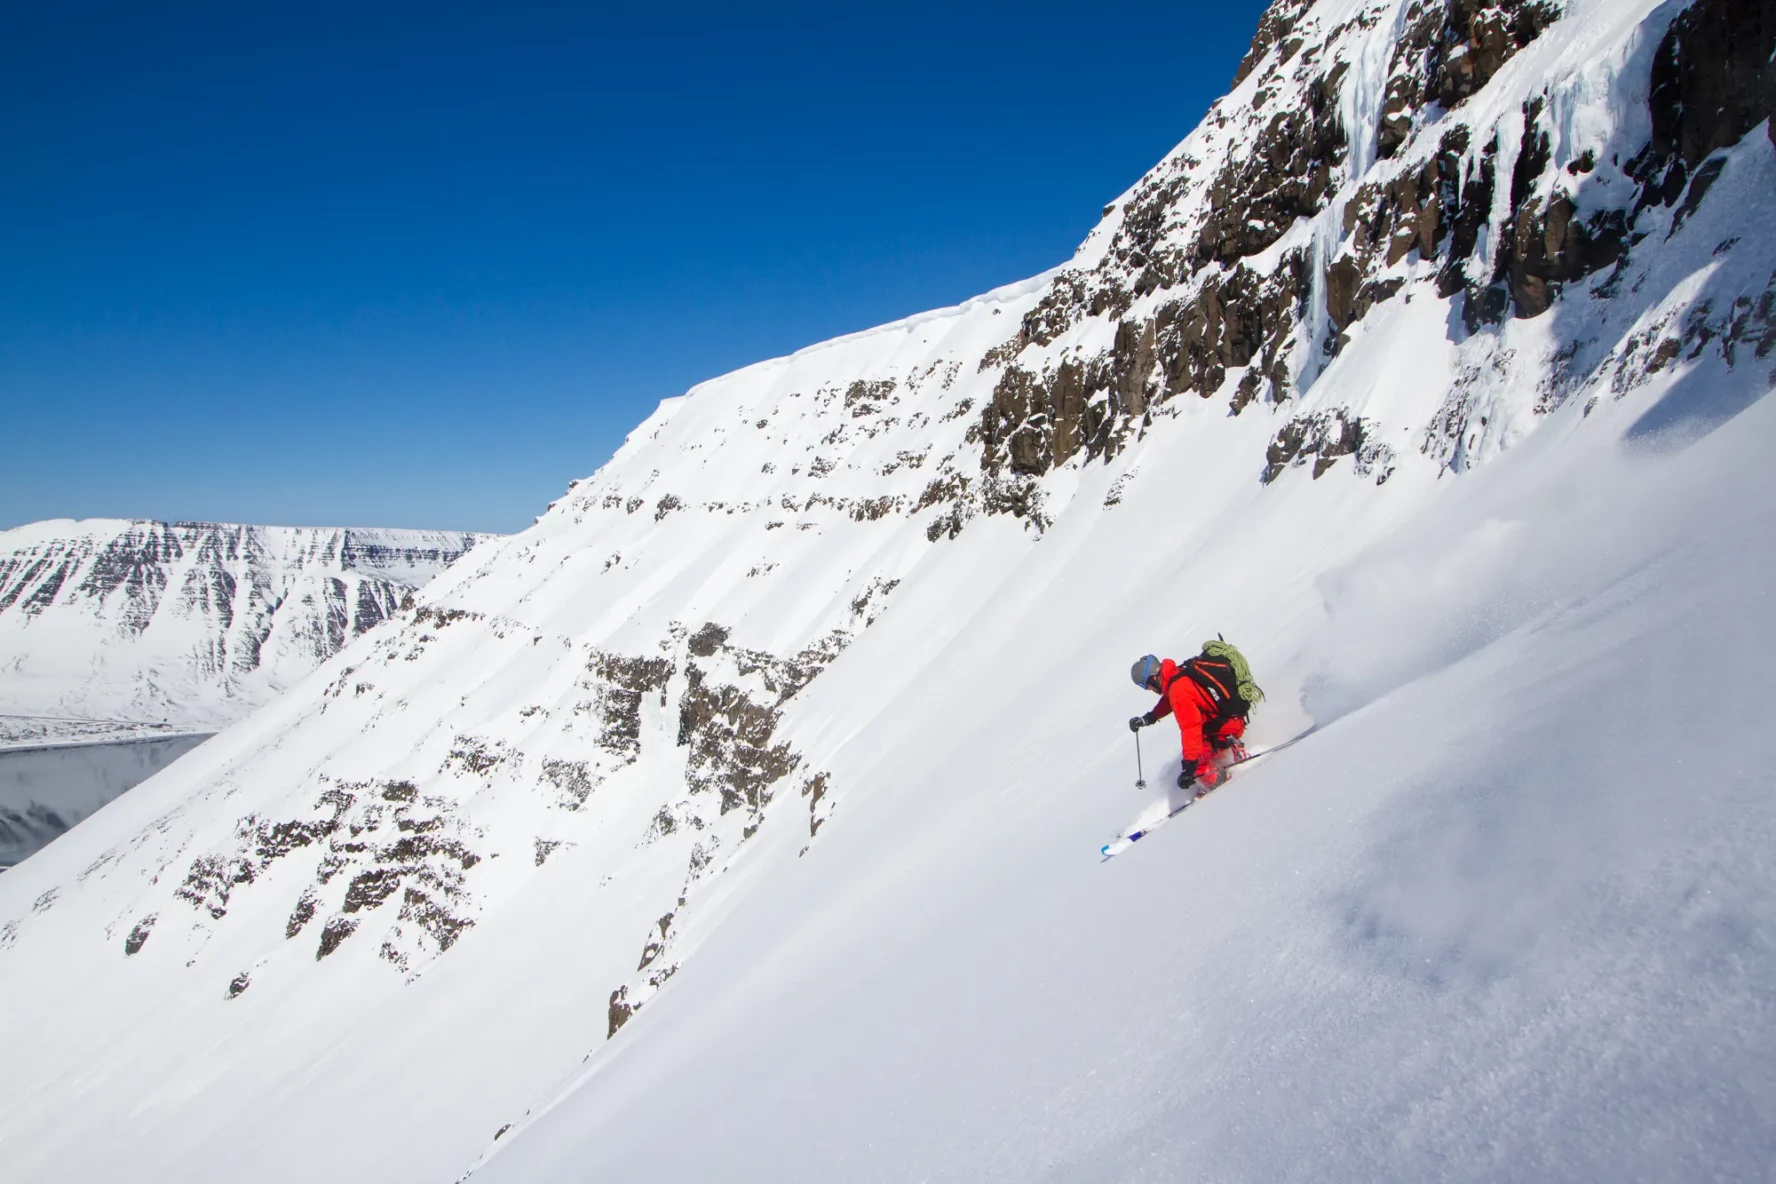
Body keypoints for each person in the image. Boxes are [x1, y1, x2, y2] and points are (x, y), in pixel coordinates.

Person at [1127, 642, 1261, 793]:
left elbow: (1190, 727)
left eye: (1146, 686)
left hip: (1227, 725)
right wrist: (1149, 718)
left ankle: (1221, 782)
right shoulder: (1178, 674)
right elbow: (1169, 700)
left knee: (1198, 766)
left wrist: (1190, 766)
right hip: (1230, 719)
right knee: (1200, 751)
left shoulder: (1178, 690)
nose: (1149, 690)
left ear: (1153, 679)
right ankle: (1226, 749)